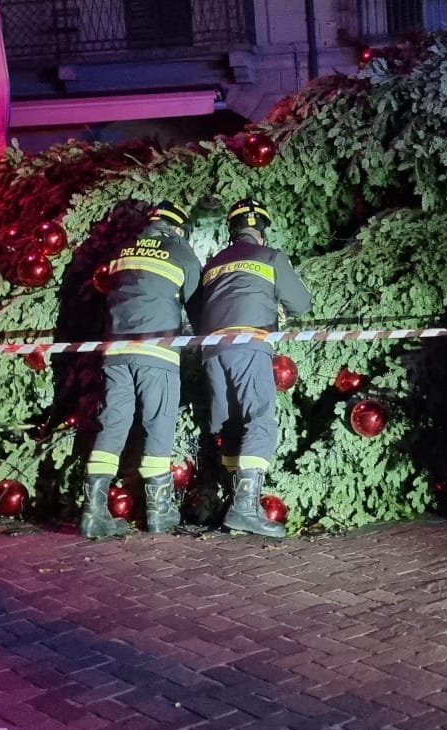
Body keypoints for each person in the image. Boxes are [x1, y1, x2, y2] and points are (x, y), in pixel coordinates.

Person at [83, 201, 202, 540]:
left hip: (116, 351)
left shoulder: (123, 250)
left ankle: (93, 511)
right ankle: (159, 511)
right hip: (157, 352)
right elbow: (196, 307)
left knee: (113, 424)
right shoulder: (180, 250)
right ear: (178, 228)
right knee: (158, 423)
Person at [193, 198, 312, 539]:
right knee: (259, 421)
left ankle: (235, 505)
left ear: (233, 231)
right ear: (261, 231)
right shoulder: (270, 256)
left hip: (212, 352)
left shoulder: (213, 263)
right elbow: (301, 303)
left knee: (231, 426)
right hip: (249, 345)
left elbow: (199, 310)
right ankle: (245, 508)